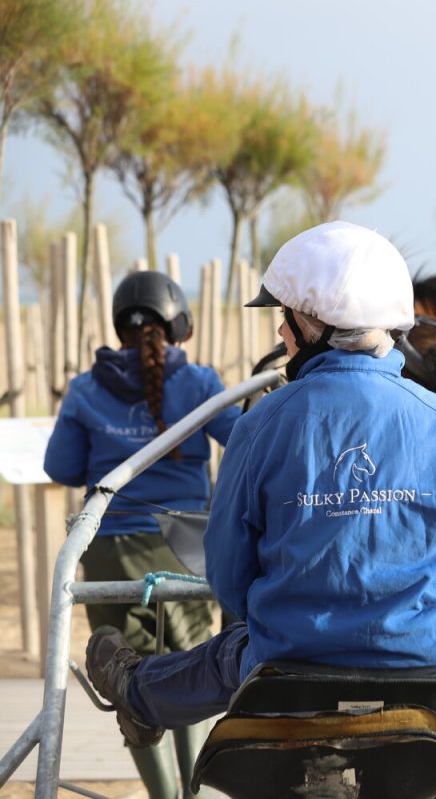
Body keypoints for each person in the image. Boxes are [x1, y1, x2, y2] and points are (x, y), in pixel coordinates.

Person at [83, 221, 436, 764]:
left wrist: (279, 613)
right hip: (432, 653)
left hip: (285, 658)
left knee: (225, 655)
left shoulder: (258, 426)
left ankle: (137, 695)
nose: (280, 332)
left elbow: (227, 572)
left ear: (315, 324)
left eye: (286, 318)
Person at [43, 270, 240, 799]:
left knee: (129, 685)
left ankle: (163, 797)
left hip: (107, 554)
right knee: (193, 683)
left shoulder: (86, 388)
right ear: (177, 321)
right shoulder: (199, 383)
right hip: (186, 553)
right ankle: (195, 794)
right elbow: (245, 442)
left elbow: (60, 466)